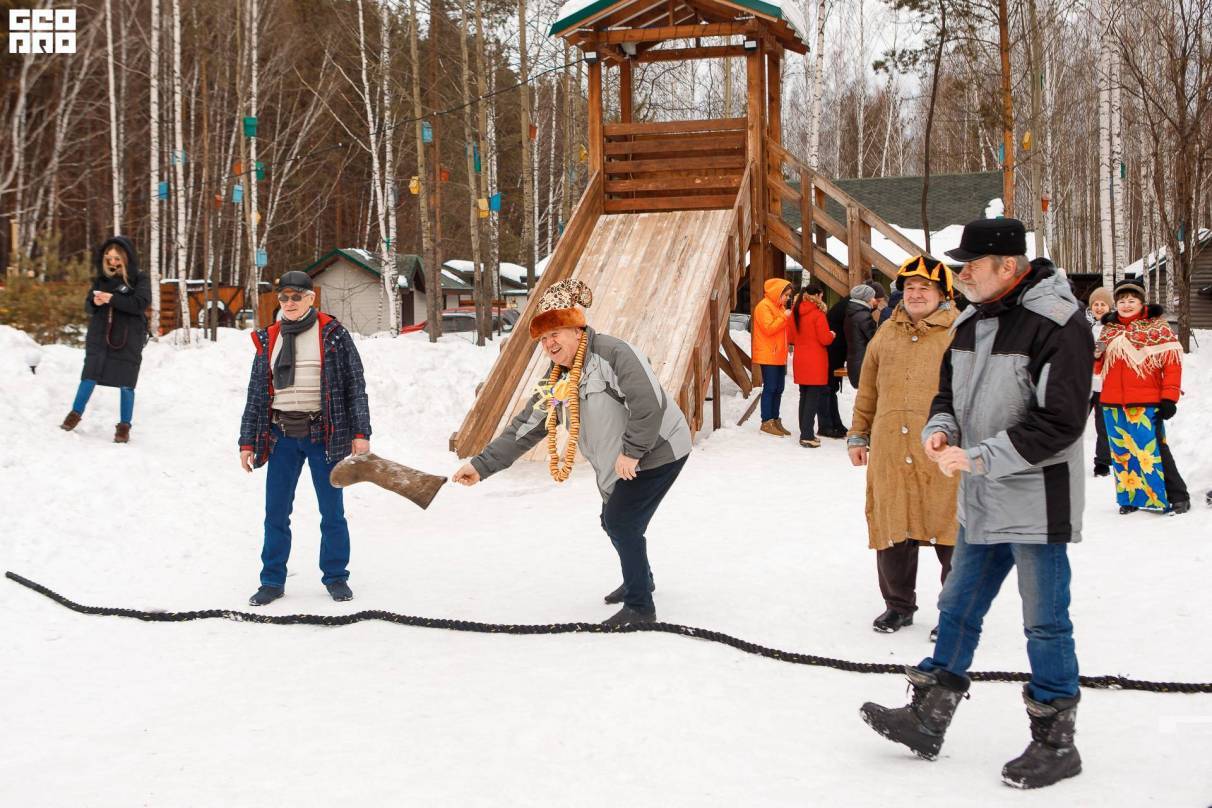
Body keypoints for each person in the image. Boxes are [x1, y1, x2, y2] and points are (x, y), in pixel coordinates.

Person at [860, 218, 1093, 790]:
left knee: (1045, 622)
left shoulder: (1059, 323)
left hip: (1037, 501)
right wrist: (941, 427)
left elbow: (1062, 421)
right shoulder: (970, 321)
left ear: (1008, 267)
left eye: (971, 265)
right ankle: (927, 717)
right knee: (958, 605)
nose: (960, 274)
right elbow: (948, 395)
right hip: (981, 496)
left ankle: (1056, 744)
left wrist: (983, 455)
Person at [452, 279, 691, 626]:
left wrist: (633, 451)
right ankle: (641, 579)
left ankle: (640, 607)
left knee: (621, 521)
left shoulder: (613, 354)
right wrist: (481, 465)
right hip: (619, 459)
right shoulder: (558, 379)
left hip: (659, 448)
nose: (549, 344)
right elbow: (526, 427)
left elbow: (648, 403)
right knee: (612, 521)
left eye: (556, 333)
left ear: (577, 329)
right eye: (543, 338)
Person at [239, 271, 372, 606]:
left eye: (296, 296)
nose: (289, 303)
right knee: (275, 513)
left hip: (323, 436)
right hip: (280, 437)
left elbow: (355, 386)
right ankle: (271, 581)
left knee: (332, 511)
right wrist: (247, 442)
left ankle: (336, 576)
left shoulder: (333, 334)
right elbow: (256, 393)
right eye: (284, 297)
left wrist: (361, 433)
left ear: (311, 298)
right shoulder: (269, 338)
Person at [848, 256, 959, 636]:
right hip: (891, 448)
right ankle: (898, 606)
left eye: (925, 288)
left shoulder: (960, 333)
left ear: (943, 294)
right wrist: (858, 434)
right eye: (910, 288)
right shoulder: (886, 333)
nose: (915, 294)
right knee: (893, 526)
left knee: (951, 530)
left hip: (942, 449)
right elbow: (868, 389)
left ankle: (955, 612)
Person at [1094, 278, 1188, 515]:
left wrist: (1169, 398)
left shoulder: (1157, 327)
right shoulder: (1109, 329)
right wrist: (1095, 355)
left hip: (1146, 402)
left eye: (1131, 300)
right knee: (1122, 453)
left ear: (1141, 302)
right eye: (1122, 301)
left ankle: (1178, 496)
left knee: (1153, 450)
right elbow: (1097, 368)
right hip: (1113, 402)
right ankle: (1130, 497)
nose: (1126, 305)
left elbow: (1172, 365)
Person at [60, 236, 151, 443]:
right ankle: (75, 414)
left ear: (126, 257)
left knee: (126, 381)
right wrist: (95, 301)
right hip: (100, 335)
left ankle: (124, 426)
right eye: (109, 258)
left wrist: (112, 299)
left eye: (116, 258)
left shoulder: (140, 279)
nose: (112, 262)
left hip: (128, 337)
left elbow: (140, 303)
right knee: (89, 374)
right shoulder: (101, 279)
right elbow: (88, 307)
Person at [787, 281, 836, 448]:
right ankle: (807, 435)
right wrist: (832, 334)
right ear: (817, 296)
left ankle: (805, 431)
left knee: (804, 395)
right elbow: (824, 339)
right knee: (812, 399)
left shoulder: (795, 312)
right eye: (821, 295)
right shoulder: (818, 314)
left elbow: (791, 337)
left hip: (800, 359)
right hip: (815, 360)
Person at [752, 277, 793, 437]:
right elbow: (769, 328)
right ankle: (766, 421)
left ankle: (775, 419)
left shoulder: (779, 307)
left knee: (779, 388)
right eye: (786, 295)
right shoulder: (764, 306)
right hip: (769, 354)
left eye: (789, 295)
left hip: (778, 354)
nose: (787, 298)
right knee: (770, 388)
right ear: (778, 293)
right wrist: (784, 317)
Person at [1086, 287, 1113, 477]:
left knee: (1103, 426)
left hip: (1104, 384)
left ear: (1109, 307)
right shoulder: (1083, 325)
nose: (1099, 307)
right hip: (1084, 383)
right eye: (1096, 304)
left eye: (1103, 304)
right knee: (1072, 422)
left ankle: (1102, 463)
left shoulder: (1113, 328)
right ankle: (1063, 459)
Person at [822, 296, 850, 437]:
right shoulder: (849, 308)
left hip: (834, 352)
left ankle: (834, 423)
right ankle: (827, 425)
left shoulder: (843, 307)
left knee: (830, 389)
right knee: (827, 389)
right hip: (832, 352)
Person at [843, 284, 878, 389]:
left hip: (854, 362)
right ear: (866, 299)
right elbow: (875, 339)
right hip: (863, 363)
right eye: (872, 297)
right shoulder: (864, 316)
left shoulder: (852, 314)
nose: (874, 300)